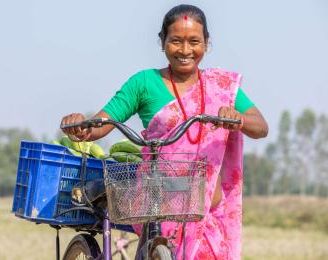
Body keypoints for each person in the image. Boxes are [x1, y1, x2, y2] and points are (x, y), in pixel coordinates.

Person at [61, 4, 268, 260]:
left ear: (206, 43)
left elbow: (260, 126)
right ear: (162, 42)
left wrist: (239, 120)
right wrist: (81, 126)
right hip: (157, 201)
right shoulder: (144, 83)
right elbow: (103, 121)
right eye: (176, 41)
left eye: (194, 41)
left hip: (211, 220)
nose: (185, 50)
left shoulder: (222, 86)